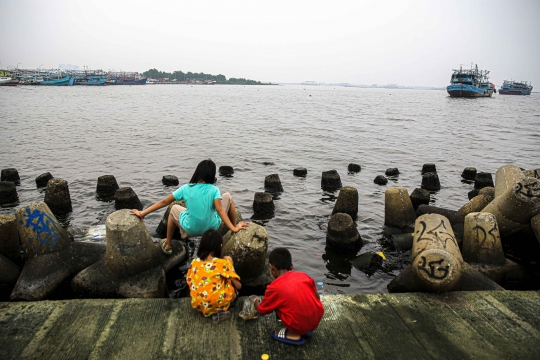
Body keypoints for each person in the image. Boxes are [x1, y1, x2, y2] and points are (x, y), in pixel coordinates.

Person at [131, 159, 248, 255]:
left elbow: (164, 202)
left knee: (173, 209)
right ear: (212, 175)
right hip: (211, 227)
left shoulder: (186, 188)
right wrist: (233, 228)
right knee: (228, 197)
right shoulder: (214, 189)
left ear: (197, 172)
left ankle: (167, 244)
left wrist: (143, 213)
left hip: (190, 228)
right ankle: (233, 232)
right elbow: (220, 209)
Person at [254, 247, 324, 346]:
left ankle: (293, 335)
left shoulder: (274, 287)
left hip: (298, 326)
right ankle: (306, 328)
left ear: (272, 268)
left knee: (277, 303)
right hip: (316, 321)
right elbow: (317, 297)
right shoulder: (304, 276)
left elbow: (262, 310)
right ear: (291, 266)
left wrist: (256, 301)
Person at [186, 229, 242, 317]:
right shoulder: (223, 263)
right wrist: (230, 265)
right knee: (230, 283)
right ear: (220, 246)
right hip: (220, 305)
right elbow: (239, 286)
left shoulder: (194, 263)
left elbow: (189, 281)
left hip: (197, 304)